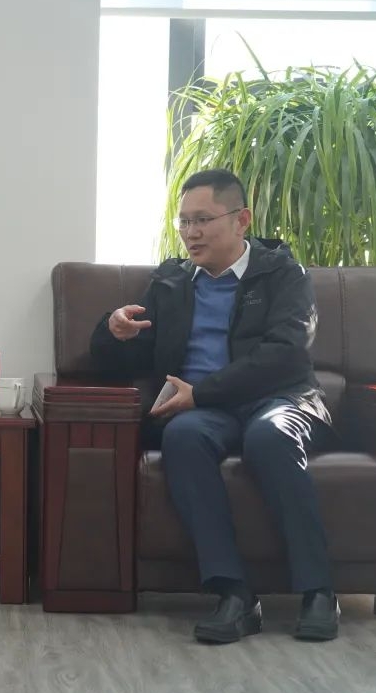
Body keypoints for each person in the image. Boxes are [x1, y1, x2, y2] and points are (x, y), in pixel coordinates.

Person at [90, 168, 339, 644]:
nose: (191, 233)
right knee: (183, 436)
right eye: (184, 221)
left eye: (202, 220)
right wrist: (113, 330)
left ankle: (319, 590)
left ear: (241, 219)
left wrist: (201, 393)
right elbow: (133, 355)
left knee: (270, 436)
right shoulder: (171, 282)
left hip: (279, 398)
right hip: (203, 412)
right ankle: (233, 594)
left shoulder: (284, 274)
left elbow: (285, 354)